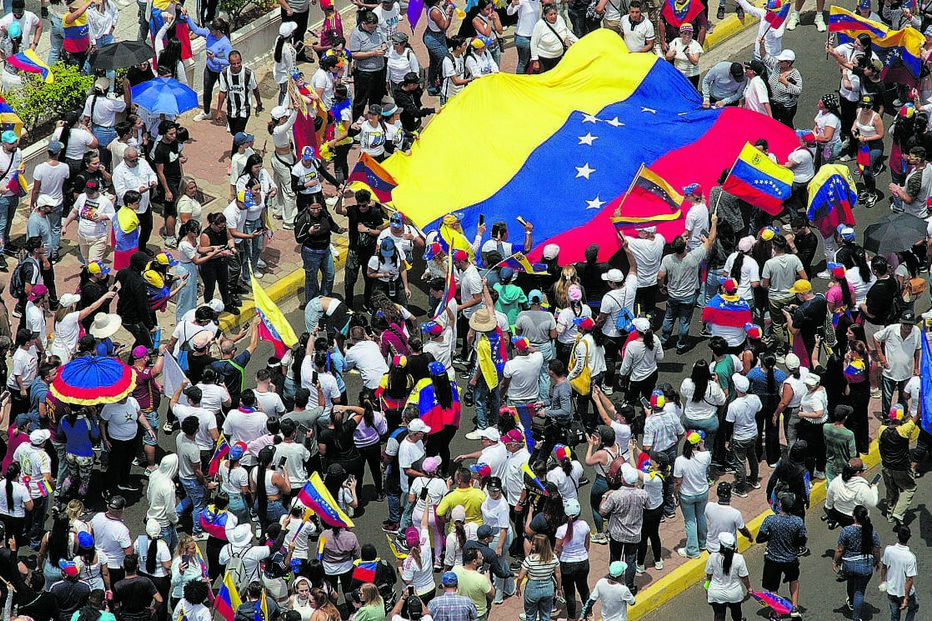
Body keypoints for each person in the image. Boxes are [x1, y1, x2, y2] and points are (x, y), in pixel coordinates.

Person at [658, 215, 718, 354]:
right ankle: (680, 345)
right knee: (684, 321)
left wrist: (661, 287)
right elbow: (711, 241)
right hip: (688, 296)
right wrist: (713, 223)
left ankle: (664, 341)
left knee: (668, 318)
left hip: (672, 295)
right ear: (685, 246)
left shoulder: (667, 259)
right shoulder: (694, 257)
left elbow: (660, 276)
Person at [756, 491, 807, 618]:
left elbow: (759, 538)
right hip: (791, 559)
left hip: (773, 559)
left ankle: (776, 612)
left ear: (780, 504)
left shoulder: (770, 520)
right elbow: (802, 540)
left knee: (773, 587)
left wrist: (771, 536)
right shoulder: (798, 521)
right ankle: (794, 607)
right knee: (794, 580)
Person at [832, 504, 881, 621]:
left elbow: (839, 549)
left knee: (851, 580)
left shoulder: (846, 530)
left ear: (854, 517)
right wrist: (877, 561)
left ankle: (851, 601)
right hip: (865, 566)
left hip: (849, 565)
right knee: (859, 591)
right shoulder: (871, 532)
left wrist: (835, 561)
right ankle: (856, 617)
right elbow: (876, 549)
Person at [674, 431, 711, 559]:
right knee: (701, 517)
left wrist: (675, 495)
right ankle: (703, 543)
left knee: (690, 522)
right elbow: (705, 453)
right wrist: (702, 446)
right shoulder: (706, 456)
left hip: (687, 495)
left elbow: (678, 481)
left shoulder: (680, 461)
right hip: (702, 492)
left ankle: (692, 550)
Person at [705, 532, 751, 621]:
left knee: (719, 615)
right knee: (736, 614)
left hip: (716, 592)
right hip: (734, 593)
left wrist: (707, 586)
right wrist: (749, 588)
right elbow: (744, 577)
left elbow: (709, 574)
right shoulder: (739, 558)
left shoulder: (713, 557)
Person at [879, 525, 919, 621]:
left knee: (894, 614)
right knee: (914, 607)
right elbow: (909, 580)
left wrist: (883, 581)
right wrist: (906, 598)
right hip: (903, 592)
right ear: (910, 536)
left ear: (897, 535)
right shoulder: (910, 557)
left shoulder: (889, 550)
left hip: (891, 589)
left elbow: (884, 567)